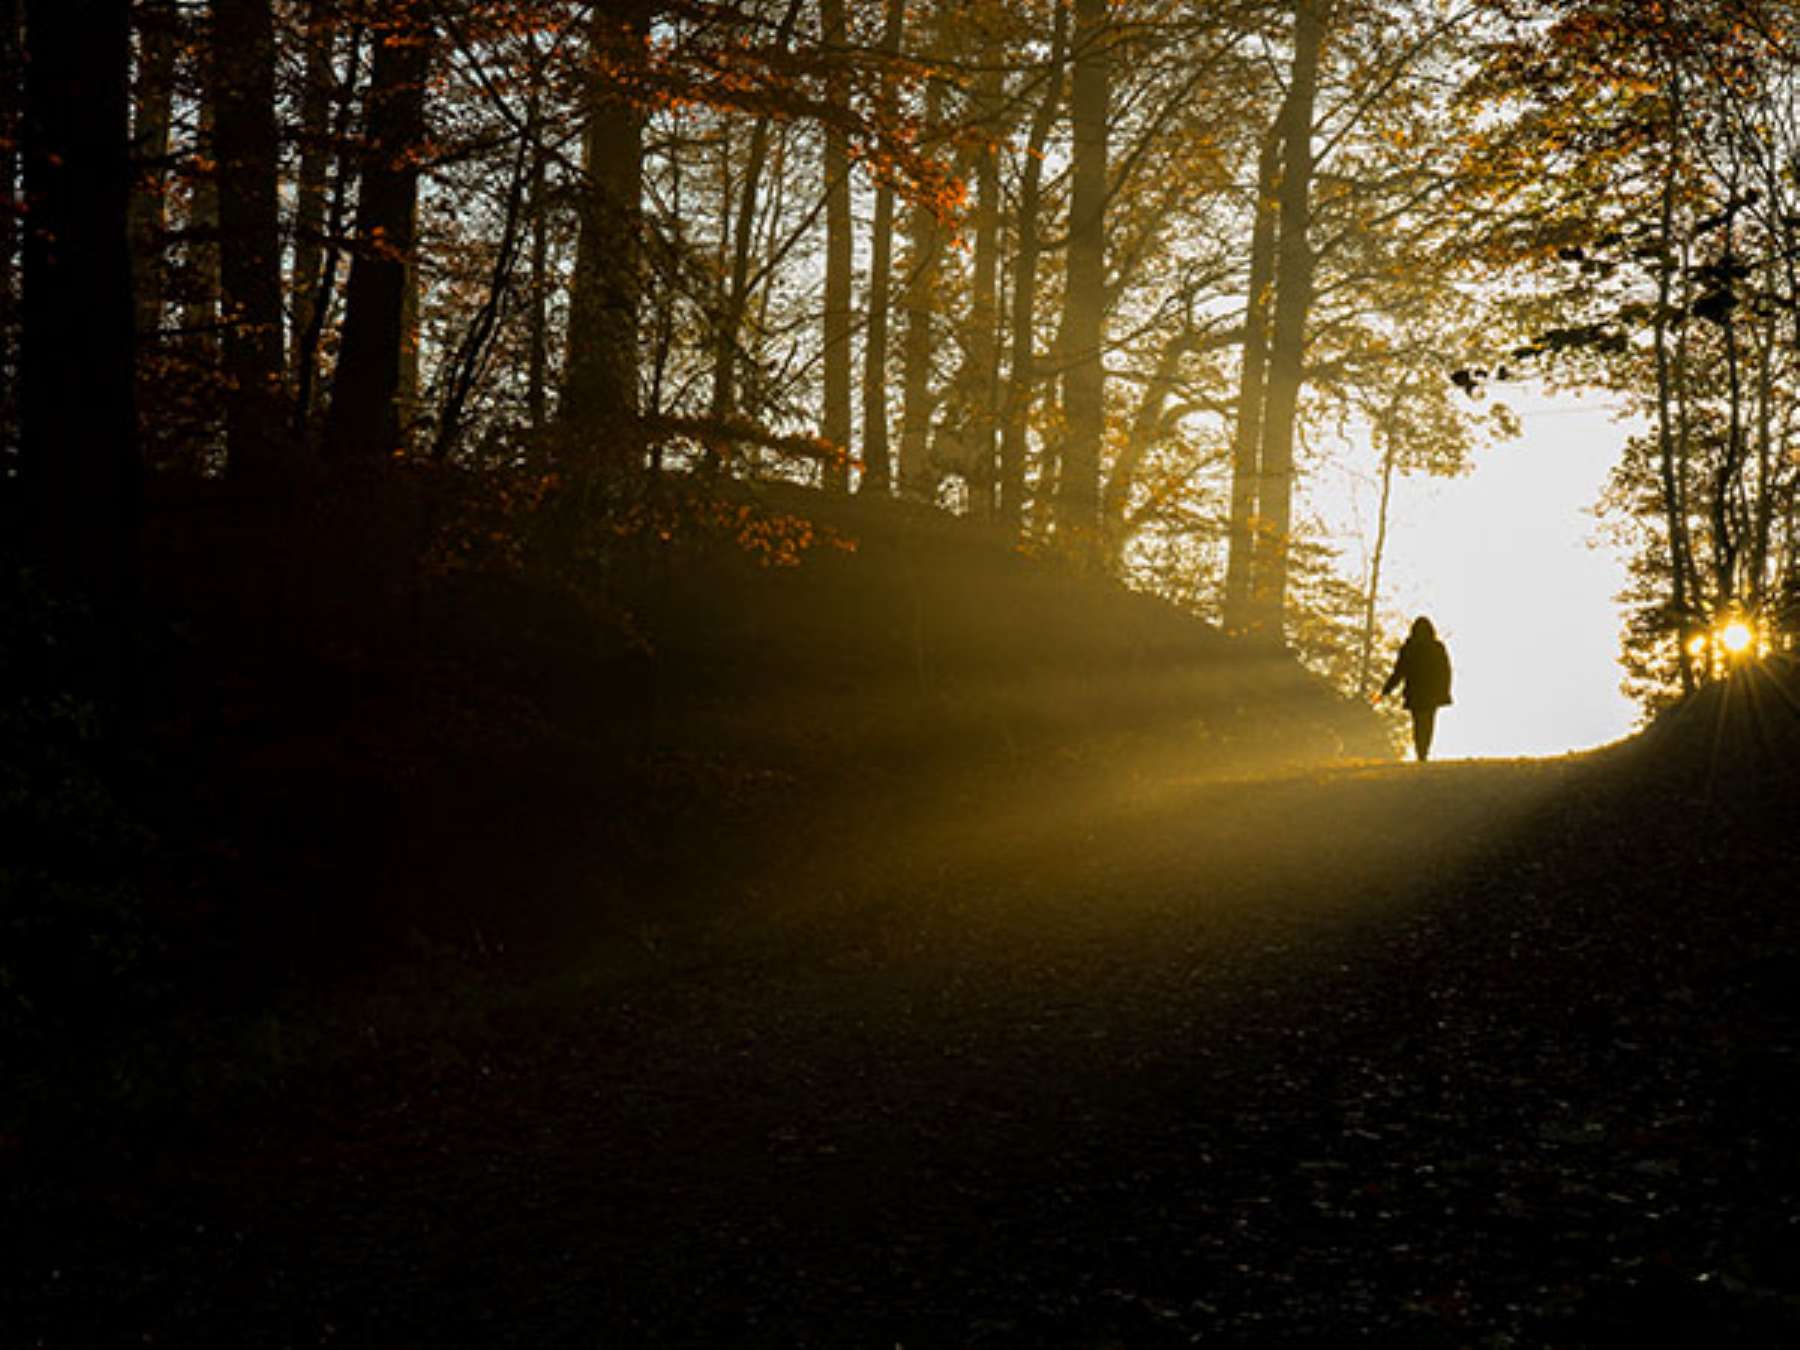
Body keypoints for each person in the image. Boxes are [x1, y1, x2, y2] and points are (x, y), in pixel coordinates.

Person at [1378, 616, 1453, 762]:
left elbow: (1399, 672)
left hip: (1416, 693)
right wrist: (1444, 691)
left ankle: (1421, 752)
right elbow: (1445, 671)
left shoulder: (1410, 648)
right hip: (1430, 693)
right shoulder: (1436, 647)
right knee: (1427, 724)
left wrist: (1387, 689)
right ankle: (1423, 751)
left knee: (1419, 724)